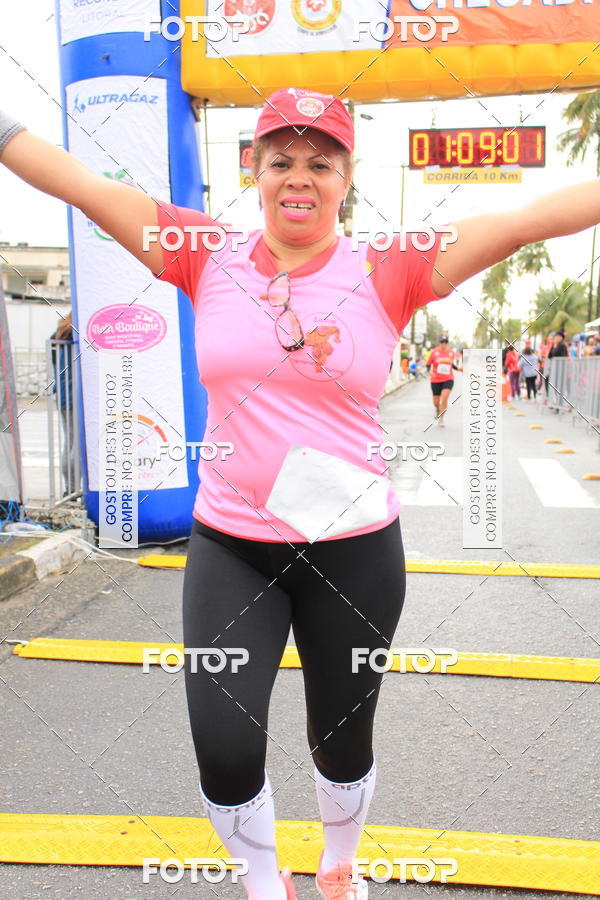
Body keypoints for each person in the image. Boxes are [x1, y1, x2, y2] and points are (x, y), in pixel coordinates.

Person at [4, 89, 600, 899]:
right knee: (222, 744)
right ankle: (260, 881)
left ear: (346, 177)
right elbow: (77, 182)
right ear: (252, 168)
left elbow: (527, 221)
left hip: (354, 553)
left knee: (341, 741)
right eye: (281, 158)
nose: (300, 177)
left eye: (321, 162)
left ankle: (339, 862)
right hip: (232, 547)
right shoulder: (199, 249)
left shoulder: (390, 264)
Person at [50, 311, 77, 495]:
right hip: (74, 394)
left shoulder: (60, 333)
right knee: (76, 442)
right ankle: (74, 489)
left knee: (70, 440)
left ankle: (70, 488)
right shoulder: (74, 335)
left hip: (63, 394)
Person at [426, 335, 462, 426]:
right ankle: (437, 409)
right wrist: (429, 371)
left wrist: (458, 369)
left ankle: (441, 418)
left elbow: (451, 364)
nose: (444, 344)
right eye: (442, 342)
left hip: (448, 379)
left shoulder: (450, 352)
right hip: (435, 380)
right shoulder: (434, 352)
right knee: (436, 402)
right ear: (439, 343)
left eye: (445, 342)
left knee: (444, 397)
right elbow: (428, 364)